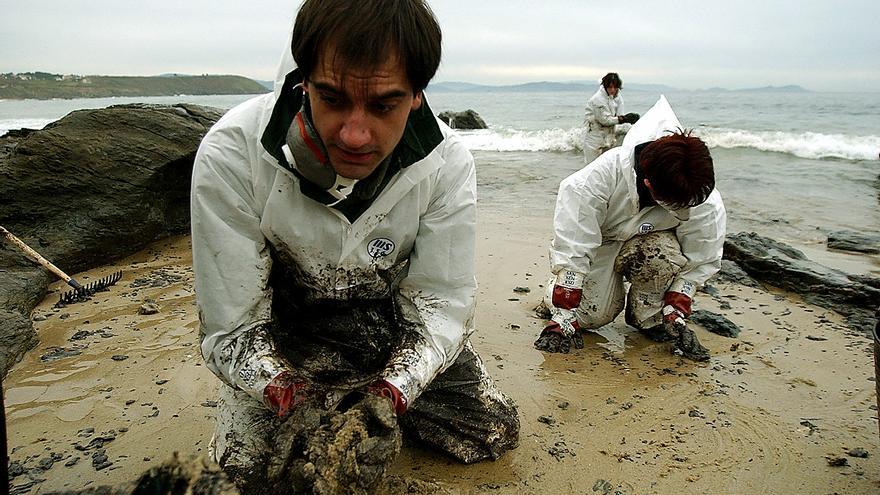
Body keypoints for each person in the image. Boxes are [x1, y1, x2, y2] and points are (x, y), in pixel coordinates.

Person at [190, 0, 519, 488]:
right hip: (286, 337)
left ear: (416, 96)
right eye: (332, 98)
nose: (355, 134)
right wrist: (287, 394)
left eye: (384, 105)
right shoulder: (231, 154)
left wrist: (392, 393)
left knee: (492, 431)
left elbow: (441, 305)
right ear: (304, 82)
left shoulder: (447, 164)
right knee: (252, 474)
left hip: (389, 330)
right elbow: (232, 325)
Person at [536, 96, 726, 360]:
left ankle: (647, 316)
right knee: (590, 316)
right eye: (676, 206)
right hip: (602, 241)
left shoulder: (697, 194)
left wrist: (677, 306)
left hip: (655, 245)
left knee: (658, 303)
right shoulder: (594, 181)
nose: (686, 211)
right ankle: (551, 292)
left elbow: (702, 257)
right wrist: (564, 308)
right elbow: (576, 244)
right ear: (649, 184)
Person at [583, 72, 640, 163]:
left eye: (615, 87)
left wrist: (630, 122)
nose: (612, 90)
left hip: (609, 136)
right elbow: (605, 120)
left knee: (608, 166)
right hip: (594, 138)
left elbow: (619, 114)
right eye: (610, 87)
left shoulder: (617, 98)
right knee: (593, 167)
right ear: (605, 86)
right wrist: (624, 119)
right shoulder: (597, 100)